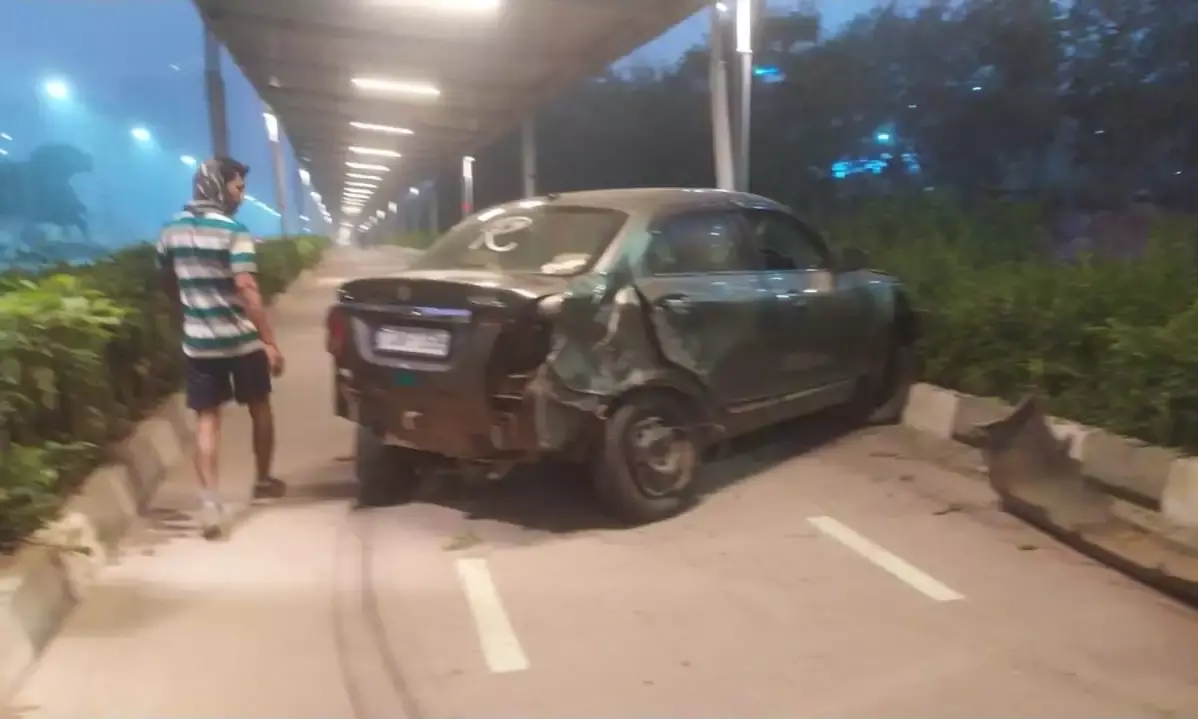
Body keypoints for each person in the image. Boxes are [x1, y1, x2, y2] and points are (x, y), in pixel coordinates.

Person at [156, 157, 287, 539]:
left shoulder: (170, 230)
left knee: (207, 419)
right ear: (218, 185)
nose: (241, 196)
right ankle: (263, 480)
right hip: (241, 341)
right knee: (259, 406)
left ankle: (210, 503)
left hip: (200, 343)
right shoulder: (234, 231)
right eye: (238, 188)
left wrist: (187, 314)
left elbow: (167, 281)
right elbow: (246, 288)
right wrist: (268, 340)